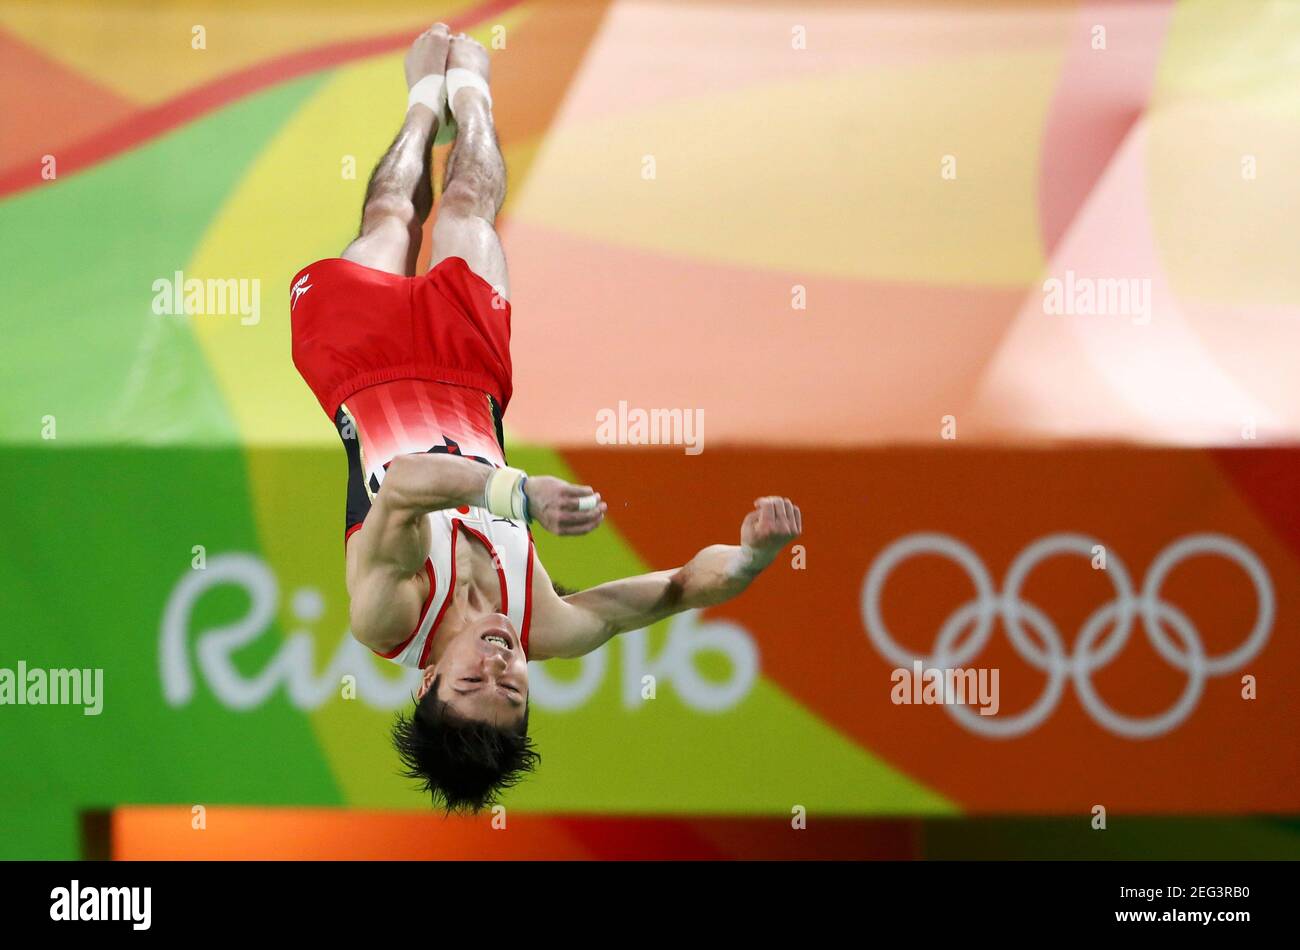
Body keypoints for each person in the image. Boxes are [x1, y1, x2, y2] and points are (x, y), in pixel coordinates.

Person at [290, 24, 802, 811]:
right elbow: (673, 591)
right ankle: (473, 94)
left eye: (473, 680)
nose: (500, 663)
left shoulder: (386, 615)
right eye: (515, 689)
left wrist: (518, 496)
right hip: (468, 375)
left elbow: (403, 490)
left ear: (429, 677)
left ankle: (423, 101)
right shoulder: (551, 626)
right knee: (466, 204)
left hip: (361, 369)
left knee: (392, 213)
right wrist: (751, 560)